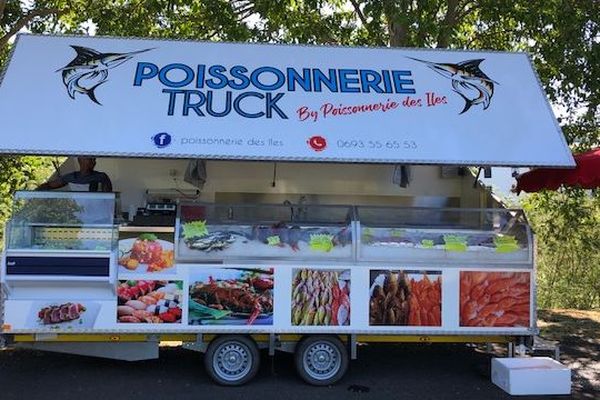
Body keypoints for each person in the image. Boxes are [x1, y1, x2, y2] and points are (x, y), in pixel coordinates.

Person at [38, 156, 113, 192]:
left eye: (94, 160)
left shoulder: (101, 177)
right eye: (90, 159)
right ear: (80, 160)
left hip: (97, 218)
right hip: (77, 216)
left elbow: (108, 199)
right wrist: (35, 192)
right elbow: (50, 185)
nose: (93, 162)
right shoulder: (71, 177)